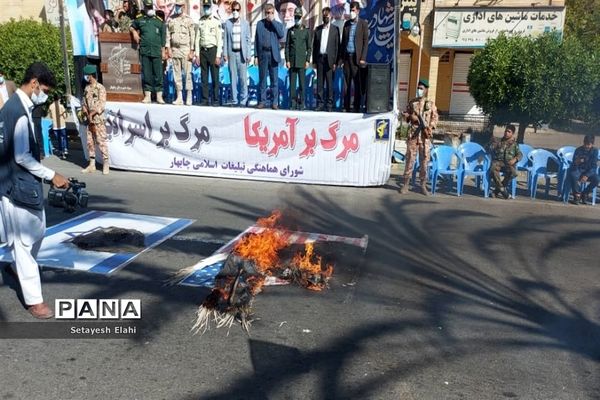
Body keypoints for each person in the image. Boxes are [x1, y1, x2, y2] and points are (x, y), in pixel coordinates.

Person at [0, 62, 69, 319]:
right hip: (16, 187)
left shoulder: (18, 108)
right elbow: (22, 157)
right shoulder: (17, 112)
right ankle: (34, 301)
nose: (45, 95)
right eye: (44, 90)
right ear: (34, 83)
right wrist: (53, 175)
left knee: (37, 231)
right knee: (23, 243)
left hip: (18, 185)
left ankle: (20, 266)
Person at [399, 79, 439, 196]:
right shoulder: (412, 103)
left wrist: (430, 128)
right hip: (413, 134)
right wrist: (410, 117)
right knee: (410, 159)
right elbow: (405, 115)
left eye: (421, 88)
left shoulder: (431, 104)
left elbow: (435, 118)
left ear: (426, 90)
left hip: (424, 137)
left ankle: (422, 185)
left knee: (424, 160)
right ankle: (406, 184)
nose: (419, 90)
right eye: (418, 88)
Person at [131, 0, 167, 104]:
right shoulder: (140, 19)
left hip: (156, 51)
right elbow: (132, 26)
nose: (149, 9)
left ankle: (159, 95)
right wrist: (134, 33)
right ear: (144, 8)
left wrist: (163, 51)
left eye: (150, 7)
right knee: (147, 73)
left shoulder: (159, 21)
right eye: (147, 7)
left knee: (158, 74)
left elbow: (163, 38)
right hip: (145, 51)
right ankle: (148, 95)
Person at [338, 1, 368, 113]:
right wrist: (340, 59)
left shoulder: (363, 24)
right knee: (346, 83)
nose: (351, 12)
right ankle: (346, 106)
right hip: (347, 57)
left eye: (353, 10)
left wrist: (363, 57)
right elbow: (343, 43)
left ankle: (356, 106)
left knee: (357, 83)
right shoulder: (346, 24)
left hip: (357, 58)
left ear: (358, 11)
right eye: (350, 10)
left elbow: (365, 42)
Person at [254, 3, 285, 110]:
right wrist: (256, 56)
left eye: (271, 13)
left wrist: (273, 21)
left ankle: (274, 103)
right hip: (263, 54)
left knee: (274, 81)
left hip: (273, 54)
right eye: (267, 13)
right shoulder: (259, 24)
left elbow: (281, 34)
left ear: (274, 13)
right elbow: (256, 40)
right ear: (264, 13)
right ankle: (262, 101)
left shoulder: (278, 24)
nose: (269, 15)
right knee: (262, 79)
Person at [81, 64, 109, 175]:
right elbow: (84, 102)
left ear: (91, 75)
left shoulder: (100, 88)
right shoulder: (87, 88)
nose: (86, 77)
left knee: (101, 142)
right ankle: (92, 165)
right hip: (89, 120)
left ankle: (106, 163)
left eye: (87, 75)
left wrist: (92, 113)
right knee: (90, 143)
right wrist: (85, 110)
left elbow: (102, 104)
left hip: (98, 120)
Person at [166, 0, 195, 106]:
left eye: (179, 6)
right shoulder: (171, 19)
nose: (177, 8)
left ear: (183, 6)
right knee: (176, 74)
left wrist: (192, 51)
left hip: (185, 49)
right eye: (176, 6)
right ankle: (179, 97)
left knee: (187, 74)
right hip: (175, 49)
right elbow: (168, 35)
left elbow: (193, 36)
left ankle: (189, 96)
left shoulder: (189, 20)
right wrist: (168, 48)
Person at [223, 1, 251, 107]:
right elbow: (225, 39)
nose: (235, 11)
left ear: (240, 10)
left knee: (243, 79)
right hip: (232, 53)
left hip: (242, 54)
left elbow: (248, 40)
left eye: (237, 10)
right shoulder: (228, 23)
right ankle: (234, 99)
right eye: (233, 9)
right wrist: (225, 53)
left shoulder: (245, 23)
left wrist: (248, 54)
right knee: (233, 78)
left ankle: (243, 100)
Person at [196, 0, 223, 106]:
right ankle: (205, 99)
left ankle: (216, 99)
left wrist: (218, 55)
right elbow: (197, 39)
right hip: (203, 51)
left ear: (211, 8)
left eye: (208, 7)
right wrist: (197, 54)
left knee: (215, 77)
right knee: (204, 77)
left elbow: (219, 40)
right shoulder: (201, 21)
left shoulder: (216, 22)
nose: (206, 9)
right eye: (205, 7)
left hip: (213, 50)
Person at [312, 7, 339, 112]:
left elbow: (337, 47)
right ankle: (320, 103)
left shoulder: (335, 29)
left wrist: (336, 62)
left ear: (330, 16)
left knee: (329, 83)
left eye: (327, 16)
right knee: (319, 83)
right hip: (320, 59)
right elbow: (315, 46)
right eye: (323, 16)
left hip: (330, 60)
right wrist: (314, 61)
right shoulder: (318, 29)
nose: (325, 17)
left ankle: (329, 104)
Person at [284, 7, 311, 111]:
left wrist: (308, 60)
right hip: (292, 62)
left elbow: (309, 48)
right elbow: (287, 46)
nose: (297, 19)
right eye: (296, 17)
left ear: (302, 17)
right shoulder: (290, 31)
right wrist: (287, 60)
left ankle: (302, 103)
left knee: (302, 84)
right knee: (292, 85)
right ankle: (293, 103)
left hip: (302, 62)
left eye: (299, 17)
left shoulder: (306, 31)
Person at [487, 124, 522, 199]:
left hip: (508, 164)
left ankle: (497, 191)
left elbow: (520, 154)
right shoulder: (498, 141)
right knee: (493, 169)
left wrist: (515, 159)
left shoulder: (515, 144)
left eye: (509, 132)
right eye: (506, 131)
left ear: (512, 133)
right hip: (498, 163)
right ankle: (503, 191)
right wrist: (491, 144)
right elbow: (490, 149)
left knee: (514, 173)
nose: (506, 133)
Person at [567, 134, 599, 205]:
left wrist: (587, 175)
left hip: (589, 171)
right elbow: (574, 163)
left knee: (597, 179)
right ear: (583, 142)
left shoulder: (595, 151)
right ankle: (577, 195)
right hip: (578, 170)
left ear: (592, 144)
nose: (586, 146)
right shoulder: (578, 150)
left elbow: (594, 166)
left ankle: (585, 193)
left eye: (589, 144)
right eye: (585, 144)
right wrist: (577, 162)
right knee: (573, 175)